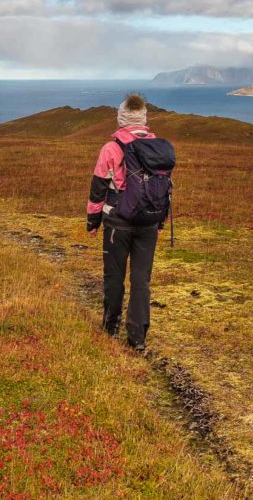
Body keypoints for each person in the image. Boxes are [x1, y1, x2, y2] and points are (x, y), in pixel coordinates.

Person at [86, 93, 171, 352]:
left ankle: (111, 327)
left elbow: (98, 188)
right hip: (149, 224)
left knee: (114, 276)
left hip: (117, 223)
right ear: (144, 118)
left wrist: (93, 220)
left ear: (122, 117)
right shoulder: (158, 147)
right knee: (141, 279)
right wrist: (160, 220)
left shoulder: (111, 148)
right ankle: (138, 338)